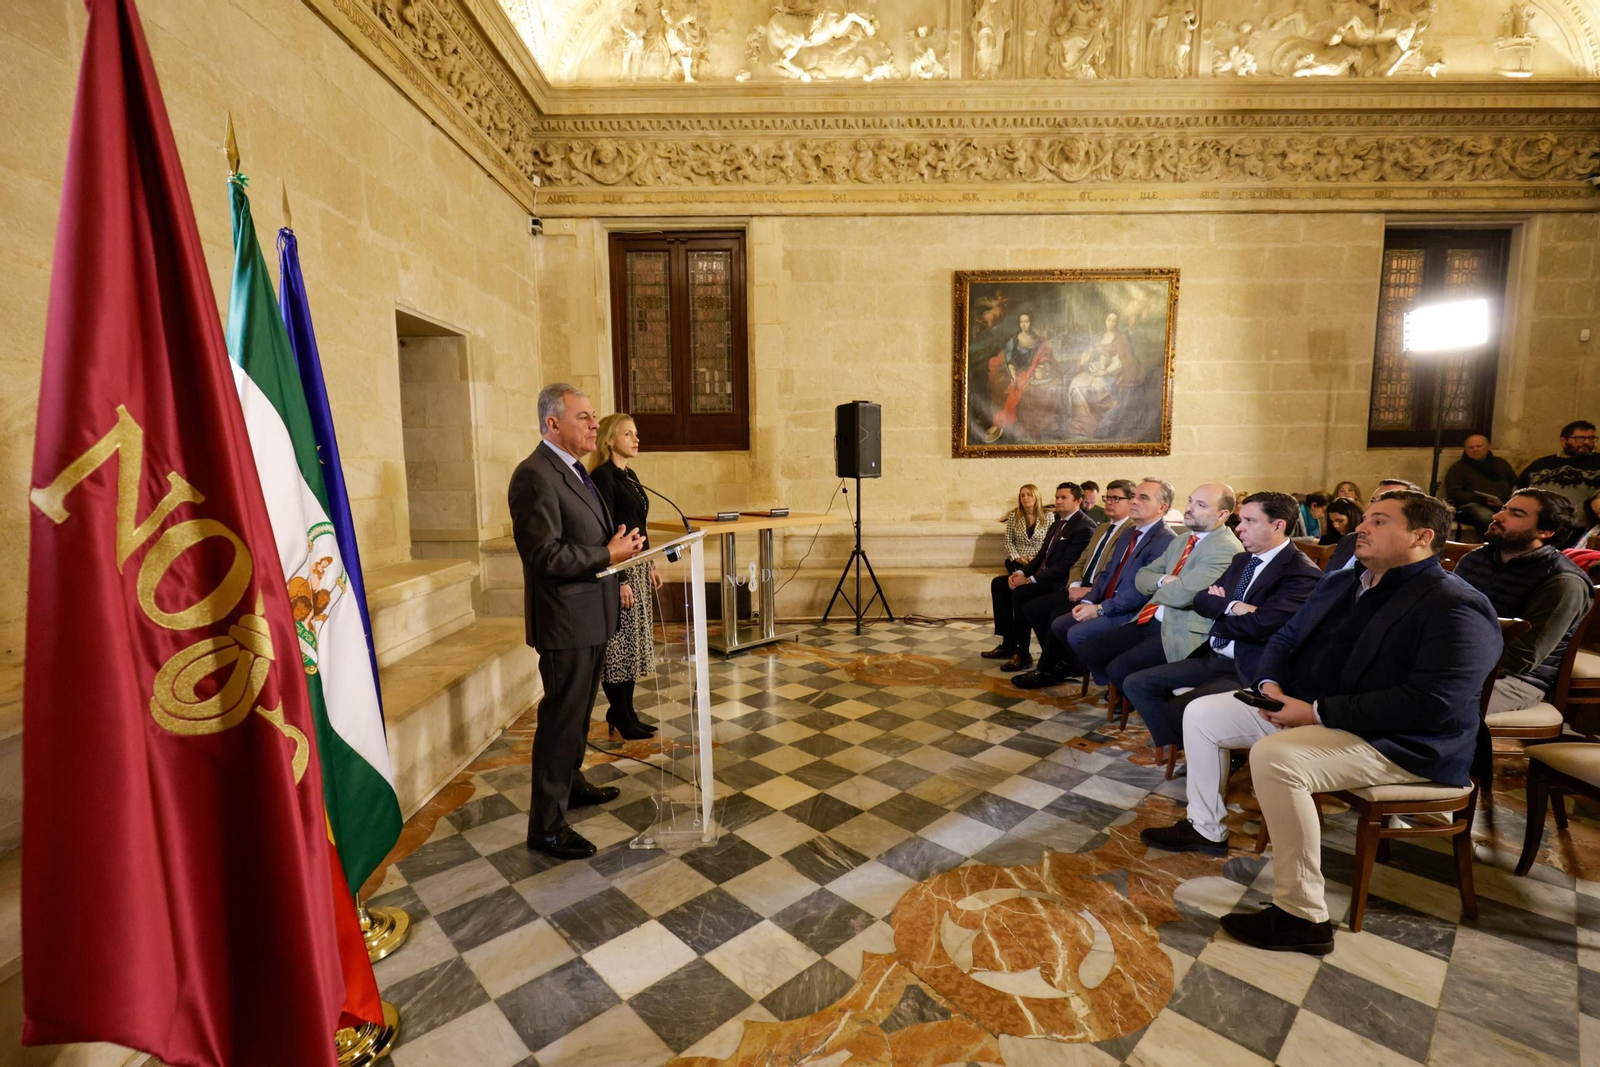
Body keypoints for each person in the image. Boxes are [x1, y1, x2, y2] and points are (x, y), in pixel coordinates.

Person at [1141, 491, 1501, 956]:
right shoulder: (1345, 580)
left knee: (1277, 759)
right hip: (1317, 710)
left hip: (1404, 742)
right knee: (1205, 711)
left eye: (1379, 521)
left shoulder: (1453, 603)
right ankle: (1205, 827)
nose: (1361, 529)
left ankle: (1302, 915)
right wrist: (1269, 683)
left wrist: (1314, 713)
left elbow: (1434, 703)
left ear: (1422, 536)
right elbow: (1285, 636)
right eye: (1365, 519)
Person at [509, 384, 644, 860]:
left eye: (593, 417)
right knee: (560, 721)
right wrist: (608, 554)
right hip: (565, 620)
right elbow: (542, 553)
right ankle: (546, 827)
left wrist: (617, 564)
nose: (594, 424)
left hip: (593, 611)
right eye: (584, 417)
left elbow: (587, 536)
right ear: (553, 424)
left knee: (580, 713)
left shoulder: (574, 472)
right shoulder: (535, 475)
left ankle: (573, 781)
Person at [1120, 492, 1322, 763]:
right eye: (1241, 520)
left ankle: (1213, 747)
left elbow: (1262, 626)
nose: (1239, 528)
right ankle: (1185, 744)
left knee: (1181, 709)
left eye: (1250, 521)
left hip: (1246, 667)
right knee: (1136, 683)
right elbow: (1202, 601)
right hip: (1214, 655)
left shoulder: (1301, 572)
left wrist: (1225, 605)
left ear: (1278, 525)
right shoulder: (1242, 560)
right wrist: (1235, 607)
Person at [1072, 484, 1242, 693]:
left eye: (1201, 505)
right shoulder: (1183, 540)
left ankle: (1139, 694)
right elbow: (1141, 578)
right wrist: (1162, 581)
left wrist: (1158, 585)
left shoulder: (1225, 548)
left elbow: (1182, 595)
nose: (1189, 508)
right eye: (1190, 500)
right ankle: (1125, 692)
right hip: (1151, 617)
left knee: (1120, 668)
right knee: (1090, 649)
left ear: (1222, 514)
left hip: (1179, 627)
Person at [1013, 478, 1175, 689]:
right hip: (1103, 598)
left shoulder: (1165, 539)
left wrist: (1099, 609)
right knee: (1059, 623)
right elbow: (1106, 571)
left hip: (1131, 611)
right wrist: (1090, 601)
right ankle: (1086, 670)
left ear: (1162, 507)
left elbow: (1141, 591)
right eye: (1134, 496)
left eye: (1142, 498)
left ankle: (1117, 684)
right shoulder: (1129, 533)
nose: (1134, 502)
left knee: (1075, 632)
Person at [1453, 490, 1593, 715]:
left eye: (1516, 514)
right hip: (1457, 664)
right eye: (1503, 508)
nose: (1498, 517)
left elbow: (1521, 658)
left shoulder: (1563, 581)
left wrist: (1446, 665)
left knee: (1426, 703)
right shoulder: (1477, 558)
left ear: (1545, 531)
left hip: (1516, 681)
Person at [589, 413, 662, 742]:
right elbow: (604, 531)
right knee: (619, 645)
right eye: (628, 434)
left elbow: (639, 525)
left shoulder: (629, 475)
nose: (636, 439)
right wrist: (618, 580)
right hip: (620, 569)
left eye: (636, 434)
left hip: (637, 565)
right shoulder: (602, 478)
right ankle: (619, 712)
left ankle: (626, 712)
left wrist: (650, 564)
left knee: (633, 645)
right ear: (609, 440)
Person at [986, 483, 1095, 671]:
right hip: (1043, 575)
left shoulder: (1084, 526)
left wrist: (1030, 580)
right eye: (1057, 497)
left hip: (1060, 582)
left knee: (1021, 593)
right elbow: (1042, 556)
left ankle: (1023, 652)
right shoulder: (1057, 522)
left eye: (1064, 498)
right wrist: (1021, 572)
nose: (1058, 501)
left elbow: (1067, 566)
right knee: (999, 584)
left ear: (1078, 501)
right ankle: (1008, 643)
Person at [986, 312, 1058, 443]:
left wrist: (1044, 364)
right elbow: (1009, 360)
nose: (1024, 325)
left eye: (1027, 321)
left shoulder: (1038, 340)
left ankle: (1033, 427)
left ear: (1031, 322)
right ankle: (1008, 424)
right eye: (1021, 322)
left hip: (1031, 370)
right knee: (1018, 389)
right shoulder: (1014, 340)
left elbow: (1043, 355)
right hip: (1016, 371)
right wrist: (1014, 376)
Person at [1326, 479, 1420, 571]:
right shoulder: (1349, 540)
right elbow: (1325, 581)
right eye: (1373, 500)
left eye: (1387, 501)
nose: (1375, 506)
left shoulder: (1406, 555)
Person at [1519, 420, 1600, 519]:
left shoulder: (1597, 462)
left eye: (1591, 438)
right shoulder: (1540, 464)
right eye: (1580, 438)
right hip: (1537, 522)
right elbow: (1518, 491)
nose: (1587, 442)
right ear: (1563, 440)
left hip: (1578, 525)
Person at [1444, 434, 1518, 538]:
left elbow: (1514, 483)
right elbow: (1454, 493)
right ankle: (1494, 545)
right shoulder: (1458, 468)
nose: (1475, 450)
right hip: (1473, 506)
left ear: (1488, 446)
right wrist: (1481, 499)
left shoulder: (1501, 464)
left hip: (1503, 503)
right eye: (1471, 447)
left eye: (1479, 446)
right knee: (1486, 517)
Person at [1002, 483, 1053, 574]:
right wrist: (1017, 558)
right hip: (1017, 559)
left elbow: (1050, 542)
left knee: (1035, 573)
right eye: (1022, 496)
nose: (1025, 498)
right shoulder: (1014, 515)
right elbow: (1008, 541)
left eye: (1029, 495)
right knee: (1018, 573)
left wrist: (1037, 558)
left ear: (1036, 496)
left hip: (1038, 558)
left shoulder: (1048, 516)